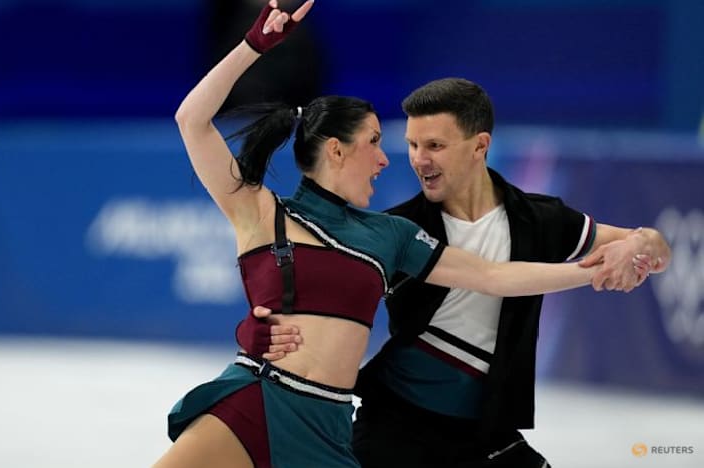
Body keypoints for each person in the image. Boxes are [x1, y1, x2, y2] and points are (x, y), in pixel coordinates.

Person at [154, 3, 631, 467]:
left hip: (327, 430)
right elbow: (191, 120)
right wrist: (252, 47)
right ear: (337, 151)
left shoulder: (392, 235)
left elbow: (492, 276)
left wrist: (587, 272)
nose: (385, 159)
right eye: (375, 143)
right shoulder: (262, 213)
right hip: (254, 404)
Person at [239, 77, 671, 467]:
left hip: (487, 432)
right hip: (395, 428)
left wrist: (639, 244)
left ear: (480, 146)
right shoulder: (398, 231)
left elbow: (654, 246)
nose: (418, 160)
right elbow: (312, 302)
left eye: (434, 146)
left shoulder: (538, 220)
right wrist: (252, 333)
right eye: (412, 145)